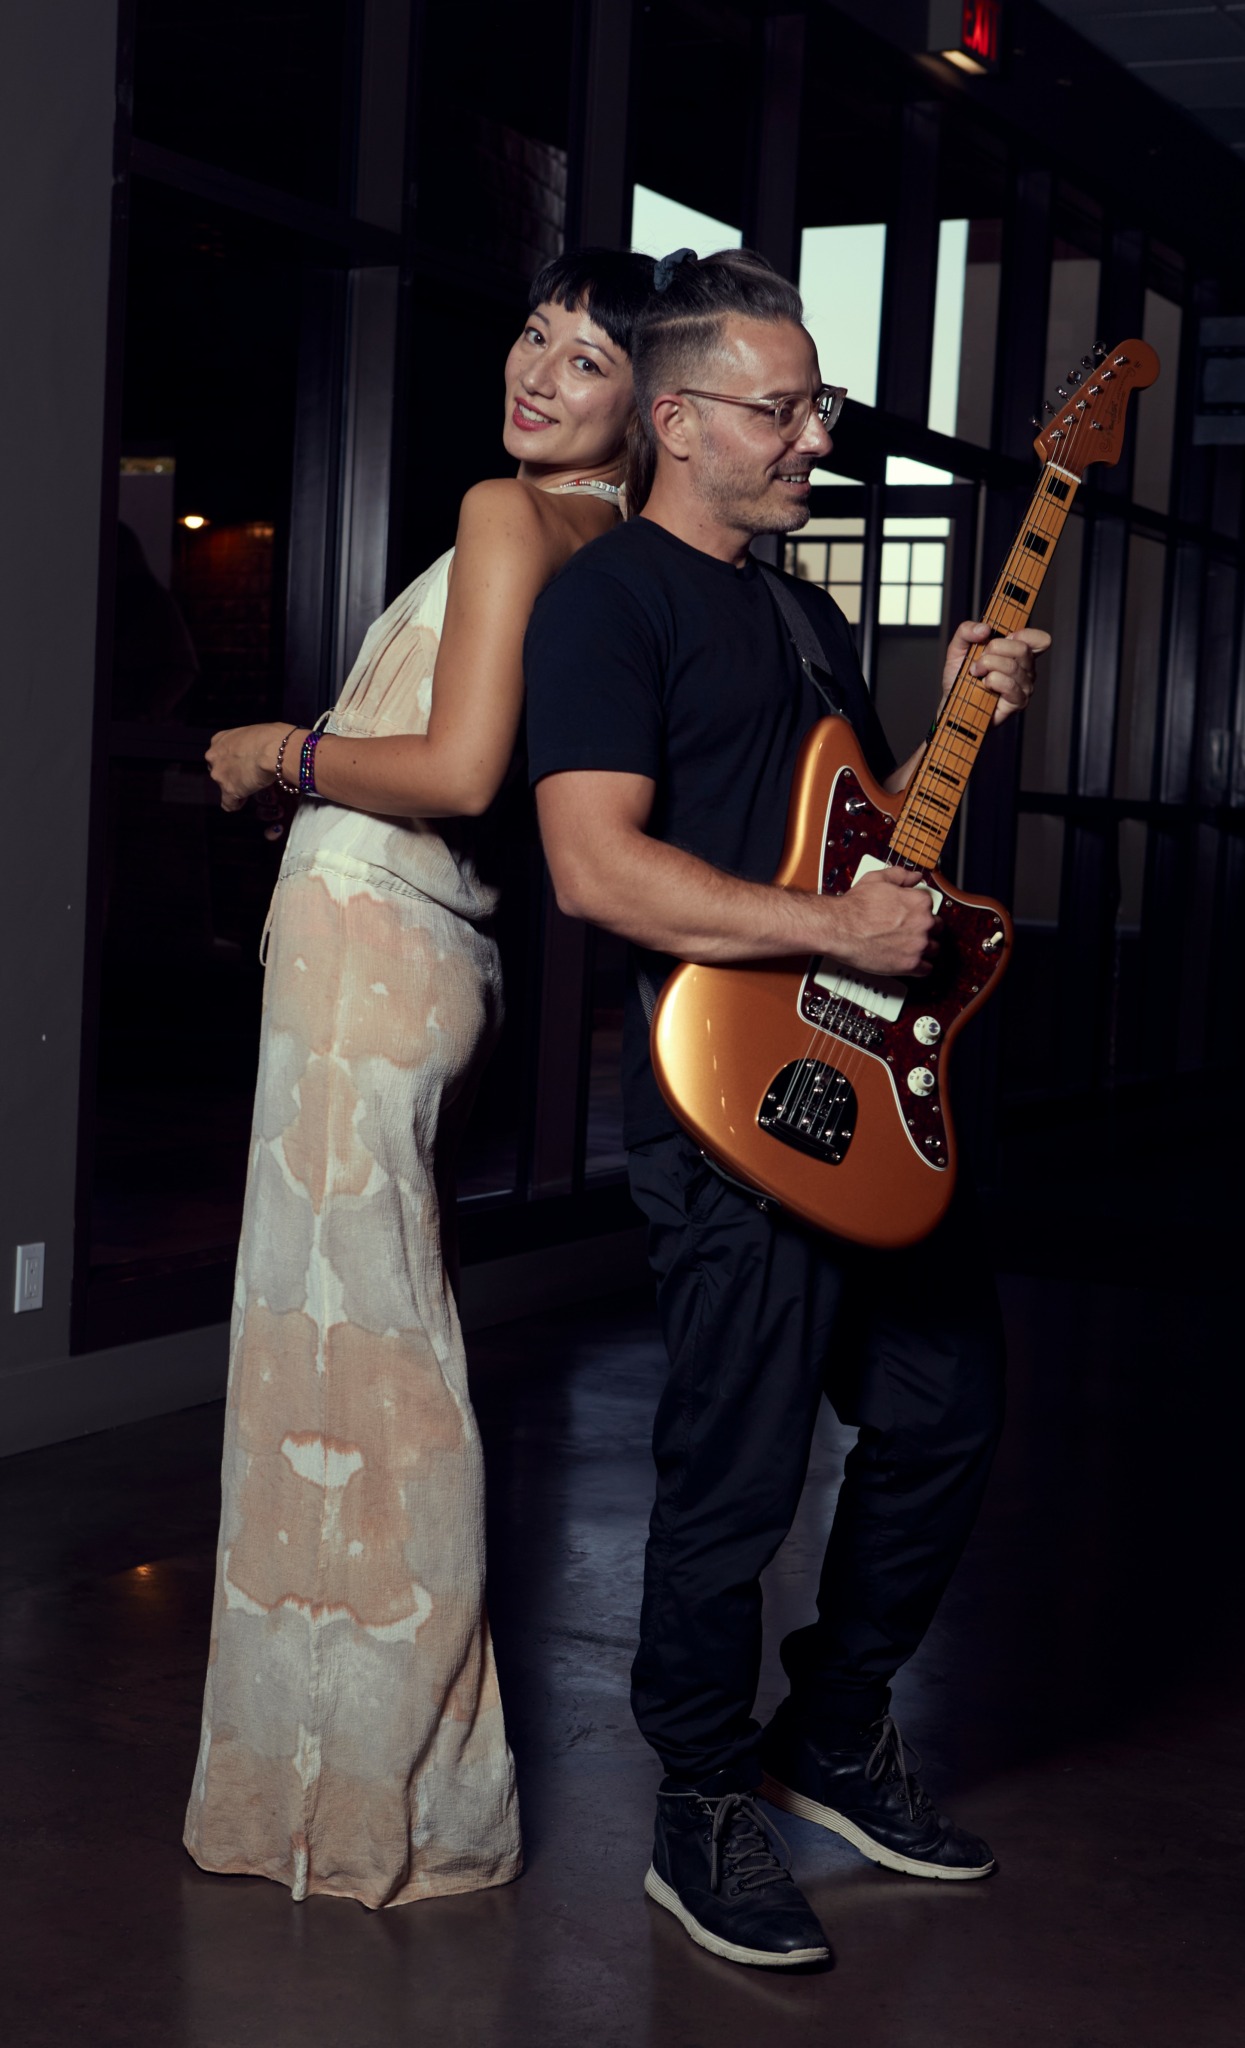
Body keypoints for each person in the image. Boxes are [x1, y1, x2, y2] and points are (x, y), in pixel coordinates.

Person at [526, 248, 1049, 1969]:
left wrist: (959, 715)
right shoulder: (610, 604)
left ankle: (829, 1732)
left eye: (817, 405)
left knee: (946, 1412)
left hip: (865, 1093)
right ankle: (697, 1805)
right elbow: (594, 867)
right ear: (677, 421)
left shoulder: (802, 611)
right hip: (728, 1106)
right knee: (735, 1475)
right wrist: (832, 932)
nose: (814, 435)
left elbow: (859, 845)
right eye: (784, 408)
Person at [184, 248, 656, 1910]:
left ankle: (371, 1800)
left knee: (347, 1363)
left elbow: (457, 770)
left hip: (376, 945)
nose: (535, 370)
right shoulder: (608, 543)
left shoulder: (513, 514)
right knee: (373, 1348)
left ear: (644, 408)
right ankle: (358, 1788)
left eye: (585, 359)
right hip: (415, 951)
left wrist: (281, 751)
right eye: (533, 334)